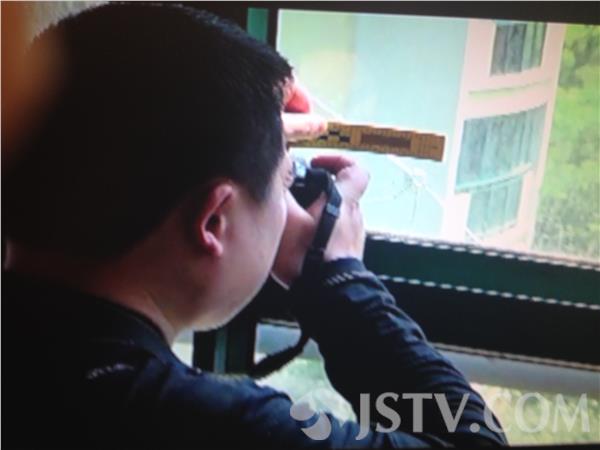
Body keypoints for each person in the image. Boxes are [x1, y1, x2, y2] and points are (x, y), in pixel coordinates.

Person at [2, 4, 507, 448]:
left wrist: (252, 147)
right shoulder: (193, 422)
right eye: (286, 180)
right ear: (213, 221)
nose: (288, 199)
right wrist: (341, 280)